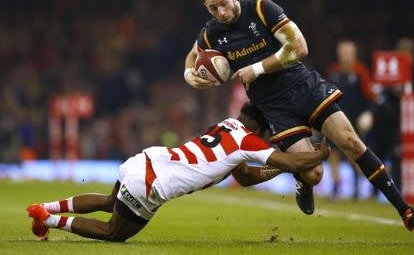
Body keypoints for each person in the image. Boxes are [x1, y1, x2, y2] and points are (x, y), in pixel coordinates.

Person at [183, 0, 414, 230]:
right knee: (314, 174)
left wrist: (255, 69)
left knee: (352, 143)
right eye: (213, 8)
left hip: (304, 86)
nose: (221, 12)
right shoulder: (211, 33)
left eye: (224, 3)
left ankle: (406, 212)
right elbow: (192, 58)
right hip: (274, 108)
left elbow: (300, 47)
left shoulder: (260, 8)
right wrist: (190, 76)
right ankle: (301, 179)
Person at [27, 103, 330, 242]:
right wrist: (320, 154)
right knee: (113, 233)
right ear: (260, 128)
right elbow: (293, 163)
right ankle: (49, 219)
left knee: (110, 201)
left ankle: (45, 207)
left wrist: (273, 171)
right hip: (152, 183)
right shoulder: (247, 140)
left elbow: (245, 176)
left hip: (147, 159)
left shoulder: (226, 125)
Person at [327, 40, 376, 199]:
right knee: (332, 153)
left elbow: (372, 97)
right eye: (343, 53)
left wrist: (368, 113)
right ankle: (336, 186)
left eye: (349, 53)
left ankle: (357, 186)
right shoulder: (333, 71)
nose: (346, 56)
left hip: (355, 122)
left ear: (354, 54)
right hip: (335, 120)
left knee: (353, 155)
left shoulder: (361, 72)